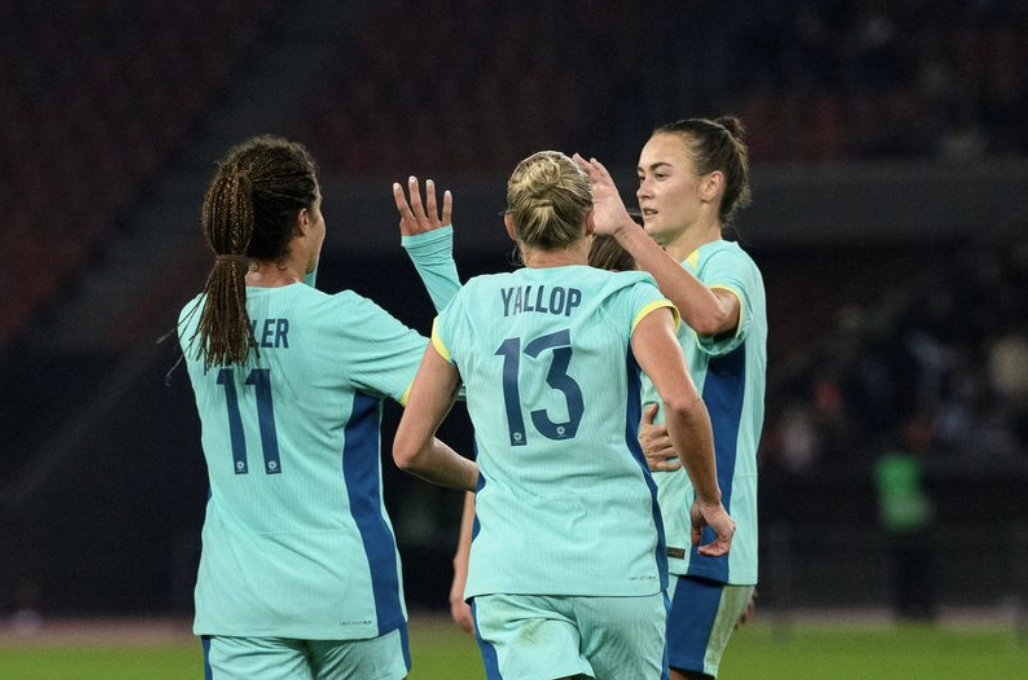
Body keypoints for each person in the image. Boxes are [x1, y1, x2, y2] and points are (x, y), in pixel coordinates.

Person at [392, 150, 735, 680]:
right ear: (590, 220)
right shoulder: (630, 293)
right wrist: (709, 498)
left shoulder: (471, 304)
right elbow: (684, 401)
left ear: (510, 225)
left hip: (514, 574)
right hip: (618, 572)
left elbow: (410, 448)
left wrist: (487, 479)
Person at [177, 135, 469, 680]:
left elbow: (277, 318)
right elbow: (475, 374)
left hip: (239, 603)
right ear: (303, 222)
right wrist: (434, 262)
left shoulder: (197, 322)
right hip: (346, 594)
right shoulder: (345, 324)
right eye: (320, 210)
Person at [575, 115, 767, 680]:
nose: (642, 189)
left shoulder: (728, 264)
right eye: (639, 175)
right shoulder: (643, 284)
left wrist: (625, 232)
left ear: (711, 187)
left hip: (702, 538)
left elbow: (710, 316)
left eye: (661, 174)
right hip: (648, 531)